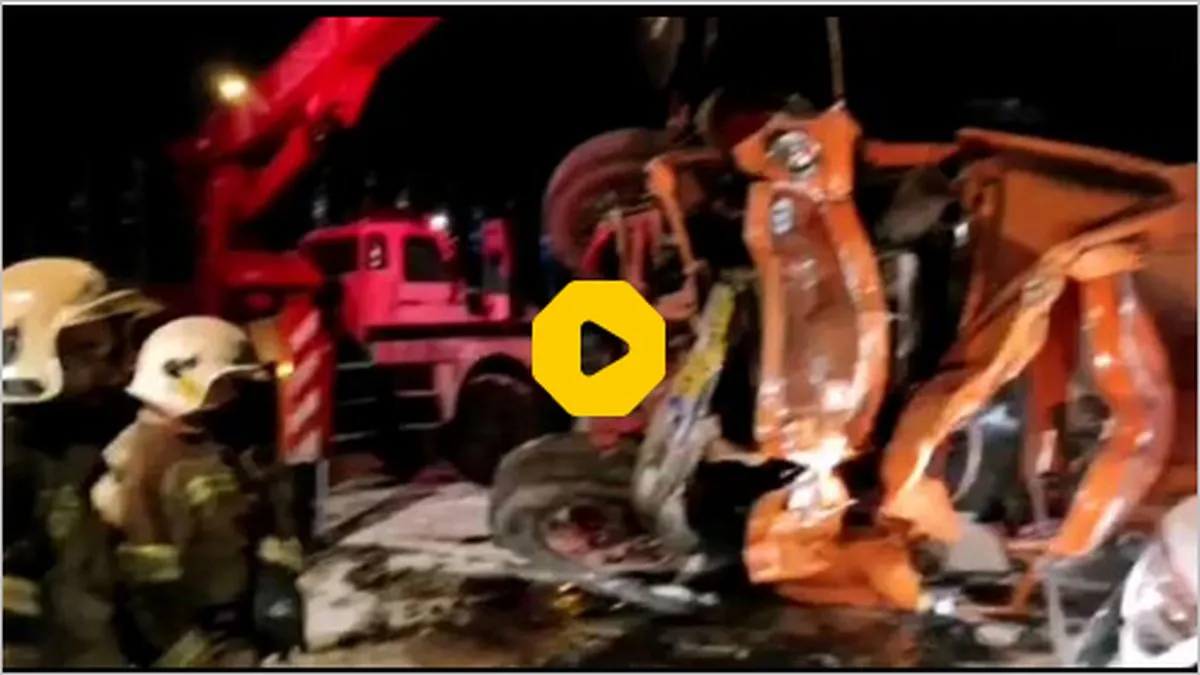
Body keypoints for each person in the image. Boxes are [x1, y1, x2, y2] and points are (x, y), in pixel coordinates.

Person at [91, 316, 303, 667]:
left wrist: (275, 588)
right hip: (192, 638)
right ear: (184, 380)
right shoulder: (141, 461)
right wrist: (192, 657)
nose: (233, 393)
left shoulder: (209, 445)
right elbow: (145, 588)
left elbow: (256, 518)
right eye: (224, 382)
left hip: (234, 624)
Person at [2, 257, 161, 667]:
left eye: (109, 348)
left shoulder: (62, 450)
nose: (115, 370)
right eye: (89, 351)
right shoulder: (13, 462)